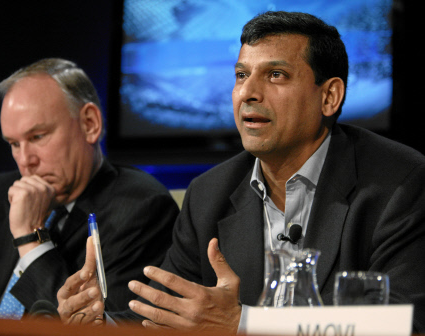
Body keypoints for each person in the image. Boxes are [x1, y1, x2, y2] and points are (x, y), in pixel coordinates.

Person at [57, 11, 425, 333]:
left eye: (276, 75)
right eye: (240, 75)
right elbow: (170, 319)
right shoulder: (208, 195)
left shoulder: (400, 183)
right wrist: (99, 325)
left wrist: (242, 325)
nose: (247, 92)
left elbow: (406, 324)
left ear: (329, 96)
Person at [0, 58, 179, 318]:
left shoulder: (143, 208)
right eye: (14, 144)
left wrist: (31, 238)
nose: (25, 160)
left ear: (89, 124)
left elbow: (93, 326)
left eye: (37, 137)